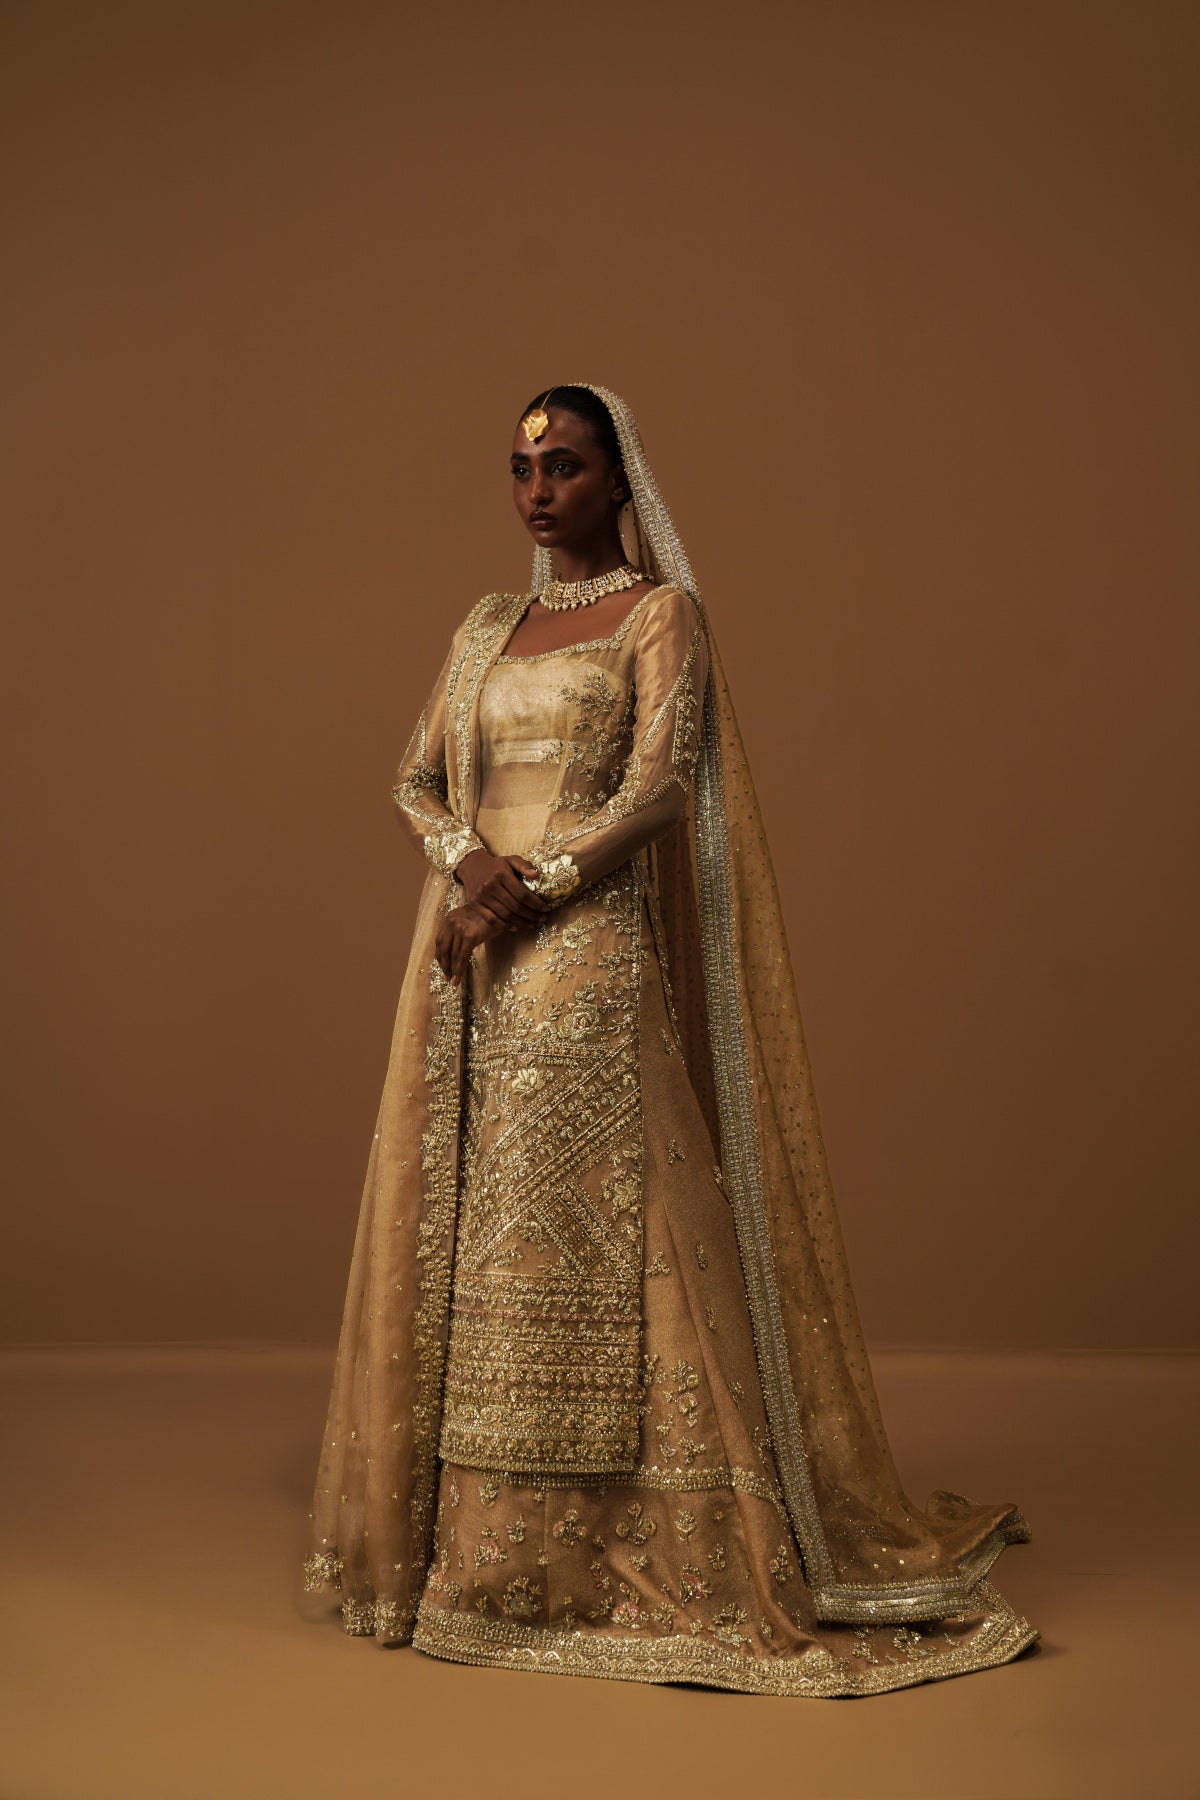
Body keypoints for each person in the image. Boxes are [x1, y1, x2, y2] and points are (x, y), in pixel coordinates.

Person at [302, 383, 1038, 1695]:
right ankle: (471, 1554)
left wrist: (531, 884)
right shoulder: (485, 626)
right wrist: (468, 860)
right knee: (474, 1232)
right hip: (468, 963)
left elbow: (660, 788)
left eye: (566, 468)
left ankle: (645, 1544)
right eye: (522, 471)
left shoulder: (660, 617)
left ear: (616, 479)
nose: (540, 493)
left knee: (605, 1230)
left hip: (580, 956)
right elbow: (415, 777)